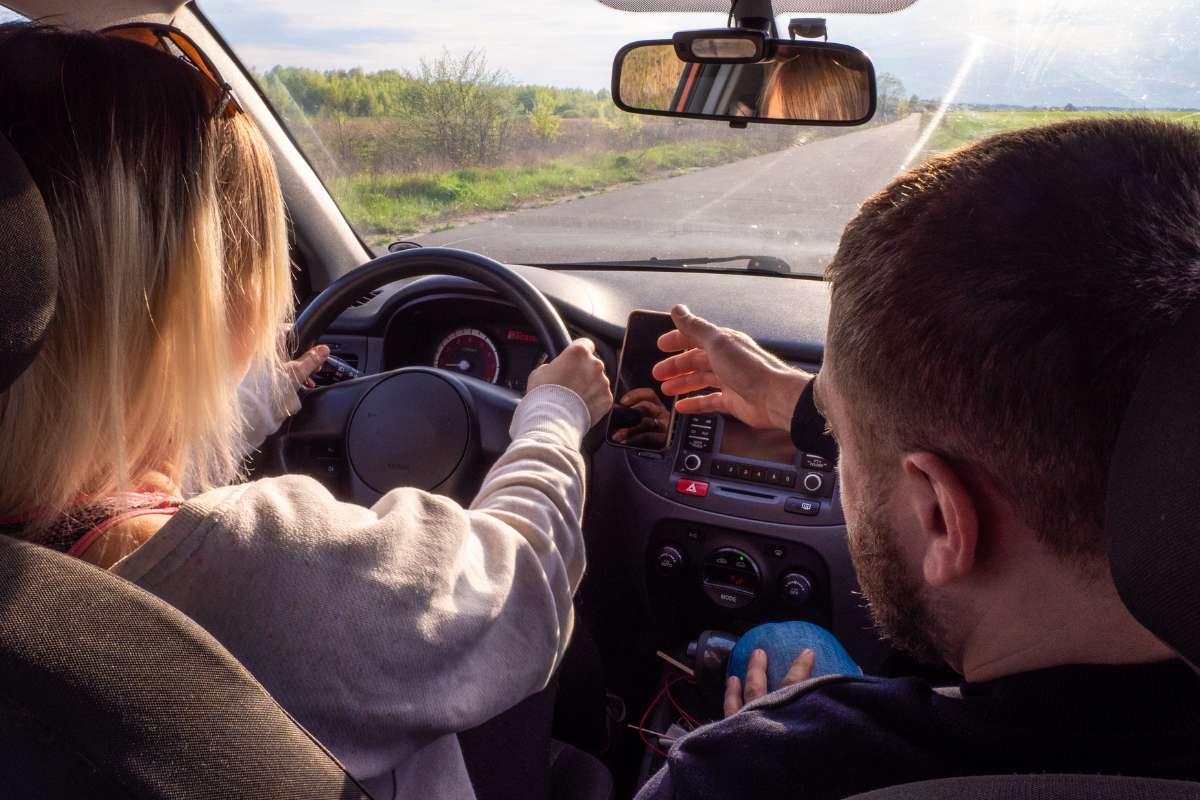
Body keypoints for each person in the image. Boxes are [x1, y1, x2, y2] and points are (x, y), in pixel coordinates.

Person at [0, 22, 611, 800]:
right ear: (190, 302)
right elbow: (519, 586)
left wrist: (262, 396)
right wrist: (556, 414)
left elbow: (111, 478)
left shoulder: (47, 550)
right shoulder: (257, 564)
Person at [638, 117, 1200, 799]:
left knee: (783, 638)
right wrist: (802, 402)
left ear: (941, 516)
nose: (836, 449)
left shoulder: (752, 772)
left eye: (840, 437)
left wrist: (761, 737)